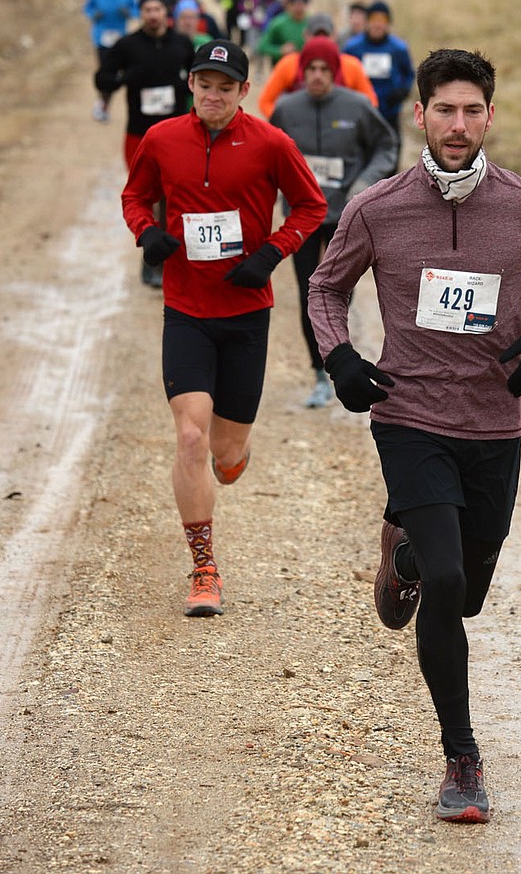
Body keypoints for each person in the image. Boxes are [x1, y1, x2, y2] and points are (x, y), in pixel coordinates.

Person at [307, 48, 521, 823]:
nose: (456, 125)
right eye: (443, 110)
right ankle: (462, 760)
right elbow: (326, 285)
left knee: (467, 593)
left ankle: (404, 557)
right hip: (410, 418)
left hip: (495, 423)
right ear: (419, 114)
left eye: (471, 110)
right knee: (450, 579)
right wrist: (340, 356)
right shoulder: (377, 207)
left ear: (490, 116)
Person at [121, 38, 326, 617]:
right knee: (189, 435)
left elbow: (310, 206)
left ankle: (233, 455)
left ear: (242, 90)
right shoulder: (162, 140)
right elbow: (135, 196)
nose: (213, 94)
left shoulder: (270, 143)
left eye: (225, 86)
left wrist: (270, 253)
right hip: (186, 310)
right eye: (204, 83)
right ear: (192, 85)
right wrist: (147, 233)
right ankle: (204, 568)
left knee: (226, 454)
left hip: (245, 313)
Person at [270, 36, 397, 407]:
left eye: (325, 69)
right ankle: (318, 374)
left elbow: (386, 146)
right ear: (301, 71)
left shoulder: (356, 106)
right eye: (310, 68)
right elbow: (269, 153)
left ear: (336, 72)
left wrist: (363, 184)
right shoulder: (287, 108)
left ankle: (340, 365)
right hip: (303, 214)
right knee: (311, 294)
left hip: (346, 214)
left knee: (337, 295)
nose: (317, 76)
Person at [95, 0, 195, 286]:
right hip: (140, 135)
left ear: (167, 12)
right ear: (141, 13)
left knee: (175, 198)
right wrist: (127, 79)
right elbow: (102, 79)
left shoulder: (182, 43)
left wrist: (185, 87)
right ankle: (152, 259)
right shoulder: (127, 46)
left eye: (158, 9)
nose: (153, 14)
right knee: (149, 198)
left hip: (178, 135)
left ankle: (174, 260)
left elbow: (197, 80)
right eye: (147, 9)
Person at [257, 12, 378, 118]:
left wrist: (350, 123)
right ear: (306, 36)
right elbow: (265, 102)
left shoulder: (350, 65)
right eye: (316, 35)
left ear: (335, 36)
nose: (321, 40)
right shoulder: (289, 64)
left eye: (325, 35)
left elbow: (371, 103)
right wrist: (286, 122)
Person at [343, 0, 415, 151]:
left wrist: (402, 92)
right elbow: (343, 73)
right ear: (367, 22)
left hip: (390, 110)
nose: (378, 24)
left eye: (382, 20)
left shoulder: (398, 48)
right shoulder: (352, 47)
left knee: (391, 147)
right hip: (361, 111)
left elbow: (409, 73)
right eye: (374, 20)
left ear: (388, 24)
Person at [82, 0, 138, 122]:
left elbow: (136, 11)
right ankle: (102, 104)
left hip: (120, 40)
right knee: (104, 71)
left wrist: (128, 13)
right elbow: (86, 9)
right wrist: (94, 15)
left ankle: (103, 104)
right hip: (102, 38)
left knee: (116, 73)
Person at [257, 0, 311, 66]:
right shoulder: (278, 23)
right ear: (289, 4)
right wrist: (280, 50)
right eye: (295, 2)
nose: (298, 6)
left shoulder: (312, 23)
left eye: (302, 2)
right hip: (282, 70)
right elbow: (262, 46)